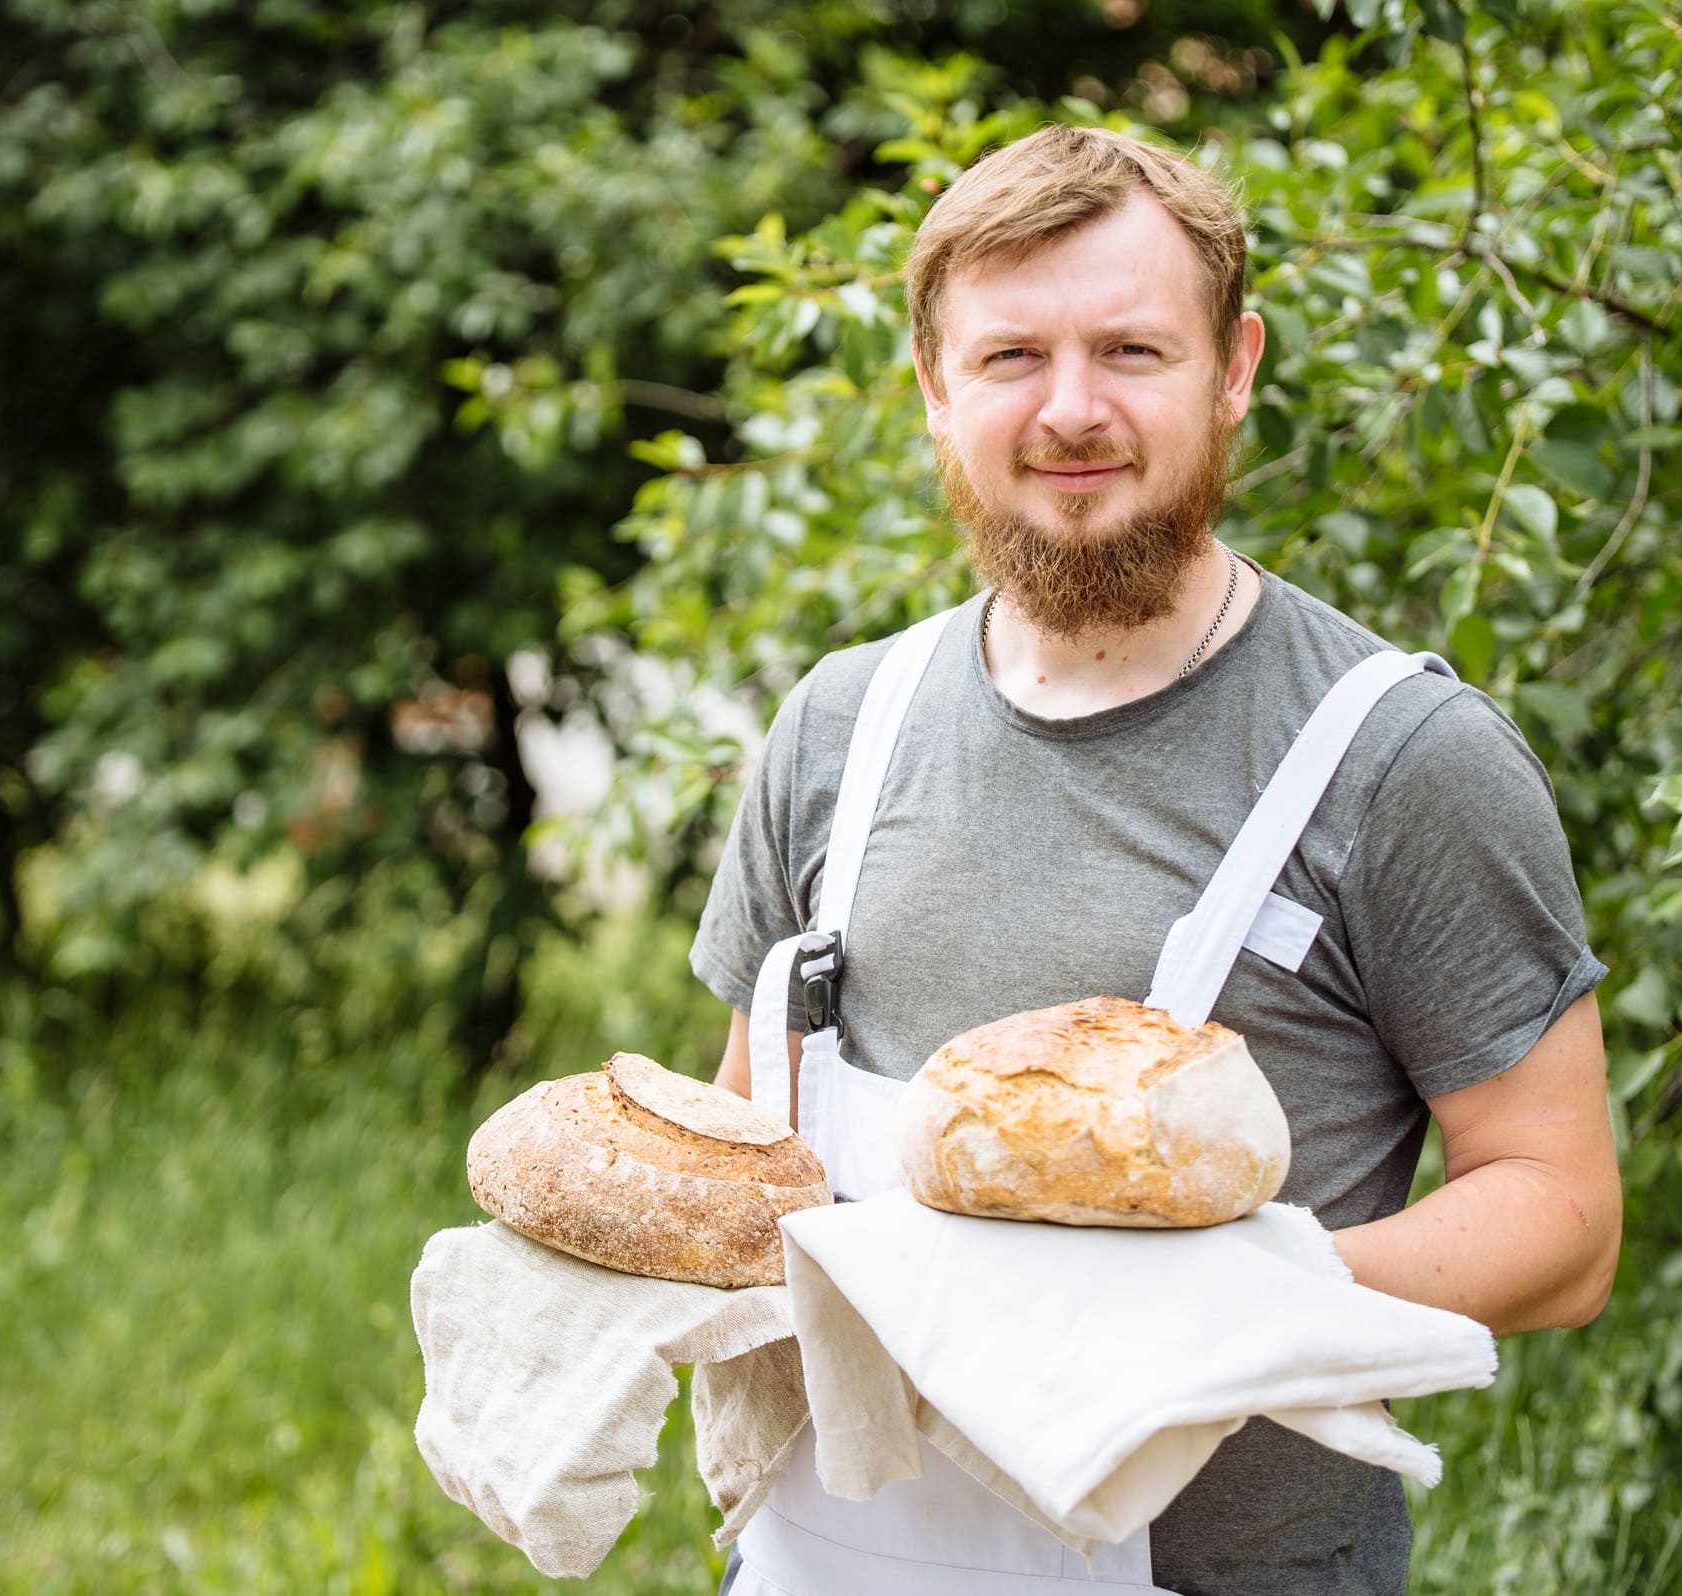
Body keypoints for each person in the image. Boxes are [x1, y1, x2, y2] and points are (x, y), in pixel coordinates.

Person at [691, 124, 1622, 1596]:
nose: (1071, 411)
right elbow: (745, 1142)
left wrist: (1229, 1297)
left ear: (1233, 368)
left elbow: (1563, 1224)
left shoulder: (1401, 757)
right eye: (1010, 359)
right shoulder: (838, 728)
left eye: (1130, 350)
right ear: (934, 388)